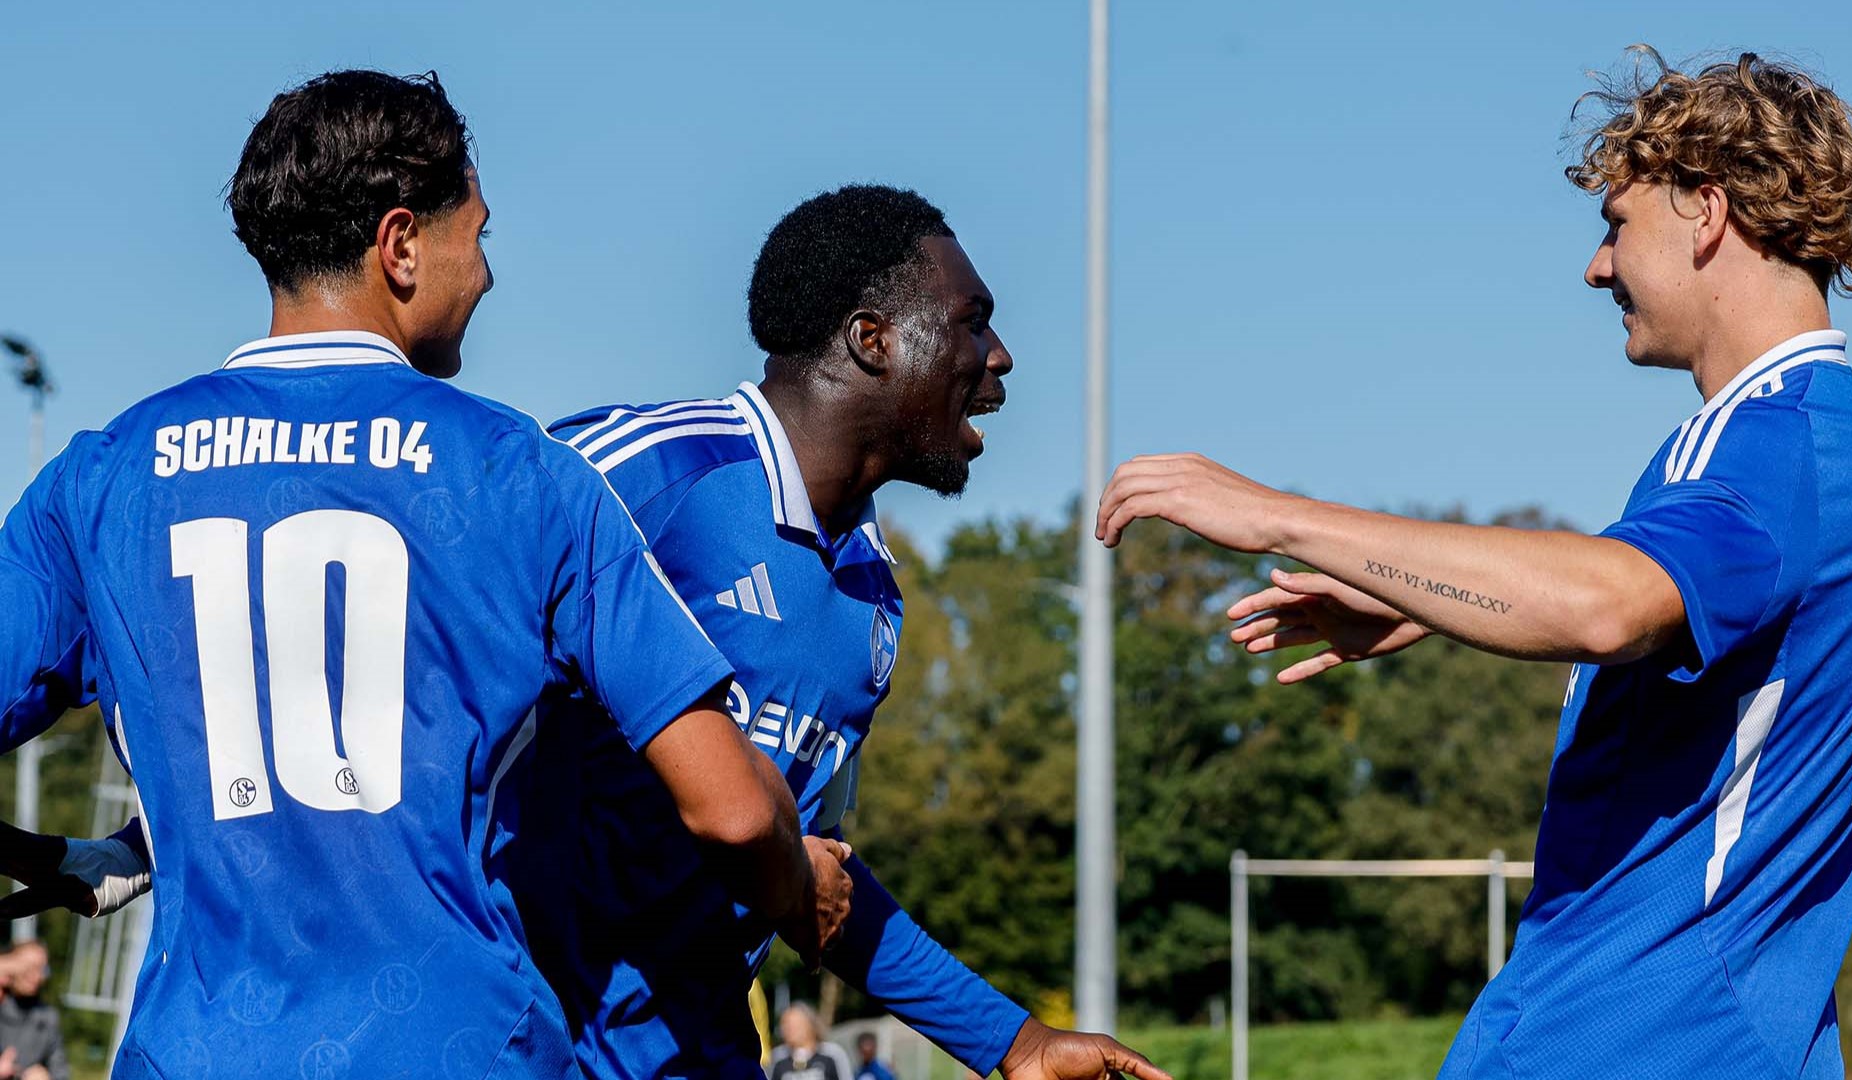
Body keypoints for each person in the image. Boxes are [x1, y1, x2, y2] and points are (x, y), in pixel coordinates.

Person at [0, 69, 845, 1077]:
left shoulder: (102, 477)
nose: (485, 272)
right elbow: (733, 807)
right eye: (476, 236)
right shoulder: (521, 473)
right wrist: (803, 879)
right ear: (400, 244)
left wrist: (98, 853)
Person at [1096, 50, 1852, 1078]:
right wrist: (1433, 604)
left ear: (1707, 210)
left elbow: (1605, 606)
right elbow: (1703, 628)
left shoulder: (1763, 440)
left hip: (1625, 1035)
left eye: (1617, 226)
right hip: (1753, 1040)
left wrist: (1277, 516)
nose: (1597, 267)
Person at [514, 185, 1167, 1080]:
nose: (1000, 357)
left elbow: (809, 883)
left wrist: (1014, 1044)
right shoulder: (642, 476)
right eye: (972, 322)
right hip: (521, 1044)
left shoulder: (871, 589)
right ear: (873, 340)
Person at [0, 942, 65, 1080]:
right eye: (28, 968)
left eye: (41, 969)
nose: (36, 976)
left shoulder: (47, 1017)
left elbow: (60, 1069)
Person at [769, 1005, 853, 1080]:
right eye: (785, 1024)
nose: (788, 1029)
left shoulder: (832, 1054)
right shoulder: (776, 1058)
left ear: (810, 1025)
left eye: (795, 1025)